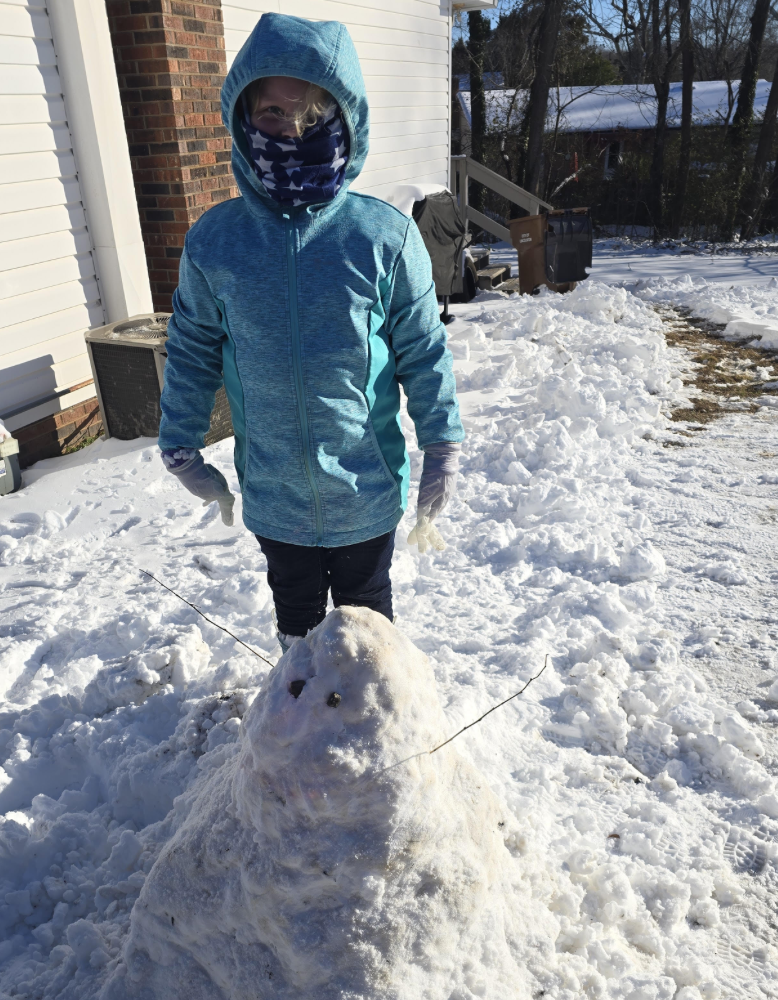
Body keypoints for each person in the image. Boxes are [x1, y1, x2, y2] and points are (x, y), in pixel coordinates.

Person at [158, 13, 464, 653]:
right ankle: (299, 735)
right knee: (297, 632)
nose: (290, 129)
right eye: (272, 111)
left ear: (344, 118)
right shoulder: (217, 241)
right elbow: (190, 348)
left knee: (367, 639)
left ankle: (375, 732)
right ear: (243, 115)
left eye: (312, 112)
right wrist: (181, 439)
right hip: (276, 496)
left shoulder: (383, 237)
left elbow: (421, 349)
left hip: (365, 489)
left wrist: (442, 442)